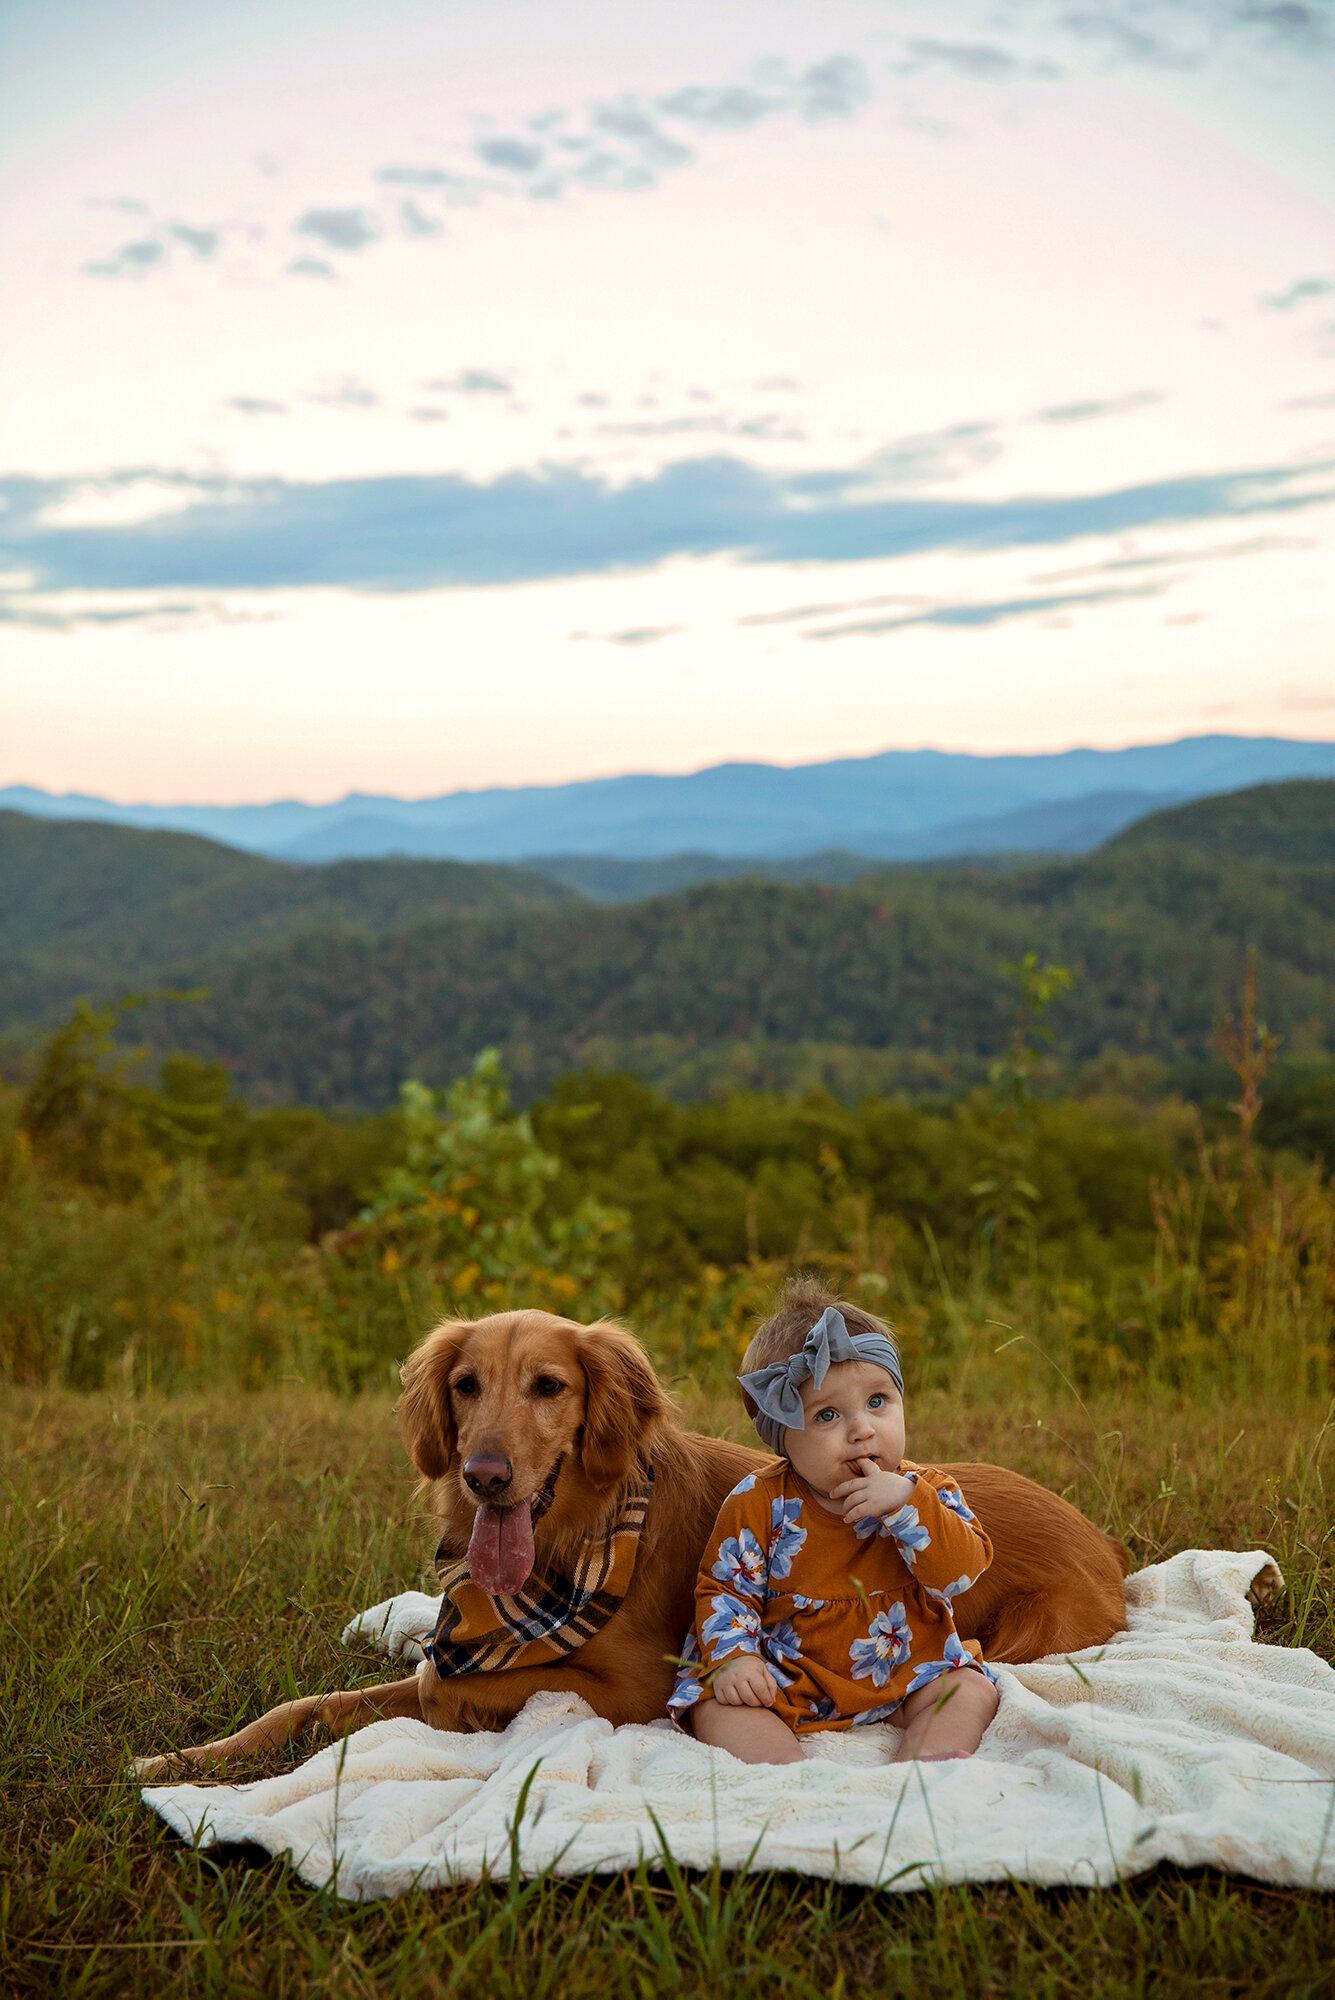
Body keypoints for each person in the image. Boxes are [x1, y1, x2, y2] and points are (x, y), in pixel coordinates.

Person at [669, 1282, 1001, 1765]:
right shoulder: (759, 1502)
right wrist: (735, 1657)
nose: (863, 1428)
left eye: (877, 1401)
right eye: (827, 1414)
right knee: (721, 1704)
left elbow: (959, 1573)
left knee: (968, 1689)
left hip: (907, 1672)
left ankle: (928, 1768)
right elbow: (725, 1590)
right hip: (789, 1681)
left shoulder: (927, 1490)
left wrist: (906, 1505)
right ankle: (788, 1778)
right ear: (783, 1438)